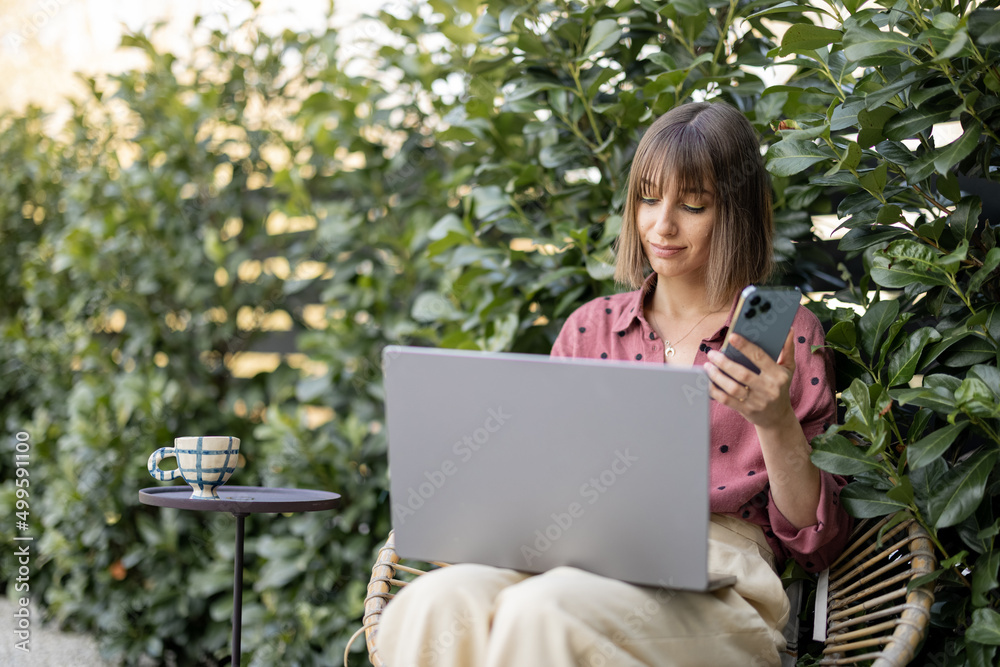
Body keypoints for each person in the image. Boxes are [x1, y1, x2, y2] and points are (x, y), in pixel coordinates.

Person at [375, 101, 851, 667]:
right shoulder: (592, 327)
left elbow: (817, 541)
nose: (662, 225)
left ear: (736, 211)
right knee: (429, 603)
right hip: (579, 555)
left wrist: (773, 422)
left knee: (546, 613)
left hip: (718, 575)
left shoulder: (788, 334)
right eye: (649, 199)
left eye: (694, 204)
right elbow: (539, 481)